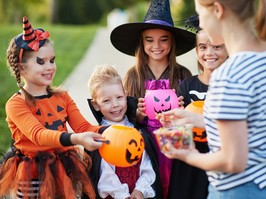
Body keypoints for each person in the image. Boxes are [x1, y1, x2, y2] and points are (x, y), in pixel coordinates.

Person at [158, 0, 266, 198]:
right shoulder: (260, 60)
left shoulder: (228, 75)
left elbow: (233, 161)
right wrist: (198, 120)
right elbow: (251, 127)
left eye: (200, 14)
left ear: (217, 10)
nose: (201, 24)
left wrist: (190, 155)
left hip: (235, 190)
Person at [0, 16, 106, 199]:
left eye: (52, 60)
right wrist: (76, 139)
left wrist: (112, 130)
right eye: (41, 62)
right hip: (33, 173)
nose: (50, 67)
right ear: (22, 68)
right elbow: (39, 135)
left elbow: (83, 127)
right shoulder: (16, 104)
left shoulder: (62, 97)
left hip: (64, 167)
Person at [110, 0, 195, 197]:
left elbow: (193, 119)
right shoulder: (133, 76)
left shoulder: (183, 75)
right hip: (145, 146)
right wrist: (136, 114)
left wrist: (184, 112)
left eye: (163, 39)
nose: (156, 45)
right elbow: (122, 119)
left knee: (175, 188)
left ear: (172, 42)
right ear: (142, 42)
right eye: (149, 40)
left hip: (176, 146)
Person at [167, 15, 228, 199]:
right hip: (191, 161)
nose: (209, 52)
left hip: (219, 158)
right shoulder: (187, 85)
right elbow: (179, 128)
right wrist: (171, 124)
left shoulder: (231, 87)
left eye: (216, 46)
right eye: (203, 47)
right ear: (197, 51)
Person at [86, 64, 163, 199]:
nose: (115, 105)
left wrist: (140, 190)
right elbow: (105, 174)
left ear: (126, 95)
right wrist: (122, 195)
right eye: (106, 101)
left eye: (119, 97)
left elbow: (147, 165)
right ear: (96, 105)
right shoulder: (99, 136)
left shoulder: (137, 131)